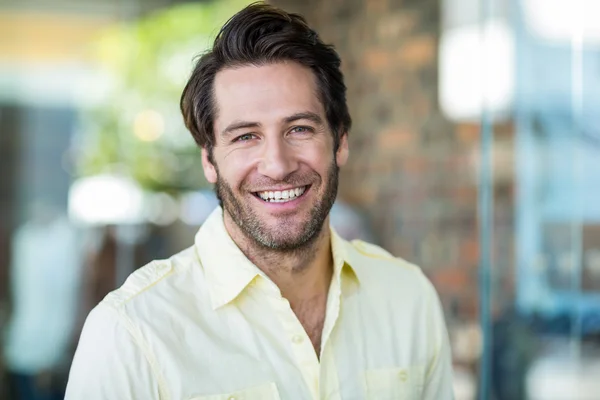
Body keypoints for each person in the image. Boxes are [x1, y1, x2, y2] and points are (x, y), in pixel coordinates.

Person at [65, 3, 454, 399]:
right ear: (209, 160)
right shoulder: (132, 333)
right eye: (245, 136)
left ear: (340, 142)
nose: (277, 165)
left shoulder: (408, 298)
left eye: (299, 128)